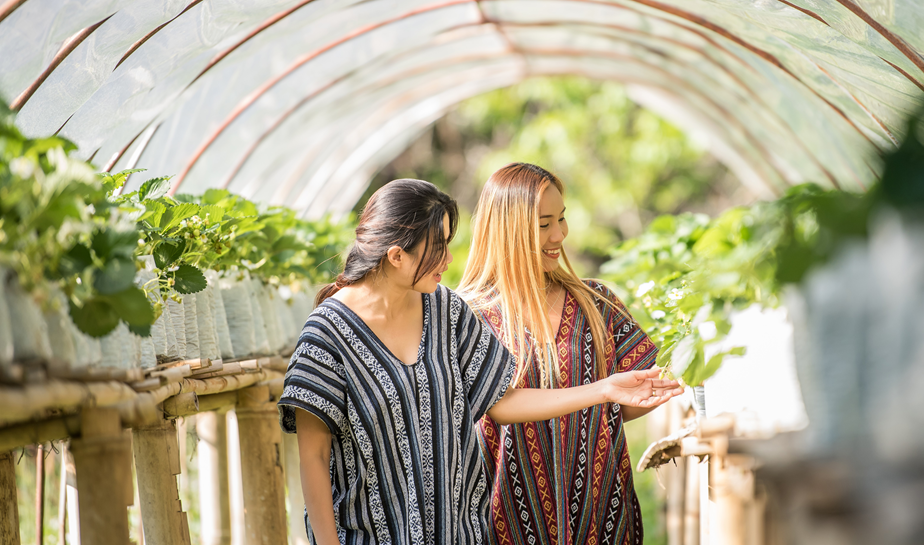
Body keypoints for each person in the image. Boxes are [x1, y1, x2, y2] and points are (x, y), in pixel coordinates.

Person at [278, 179, 682, 545]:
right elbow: (313, 458)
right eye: (438, 248)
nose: (449, 260)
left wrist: (602, 389)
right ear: (397, 255)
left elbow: (501, 402)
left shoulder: (446, 311)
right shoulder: (326, 335)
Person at [458, 163, 664, 545]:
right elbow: (492, 407)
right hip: (502, 524)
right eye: (543, 224)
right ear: (508, 230)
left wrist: (667, 381)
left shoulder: (596, 302)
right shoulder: (468, 317)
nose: (559, 234)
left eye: (562, 219)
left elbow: (626, 401)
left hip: (602, 516)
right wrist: (602, 390)